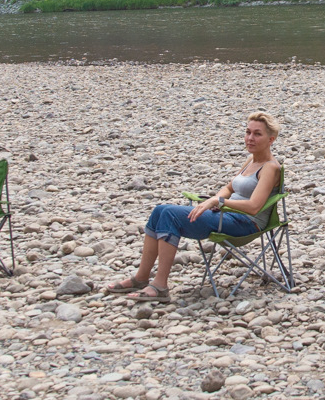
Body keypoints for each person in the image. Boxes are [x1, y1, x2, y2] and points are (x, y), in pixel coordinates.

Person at [108, 112, 283, 299]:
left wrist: (218, 201)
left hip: (245, 223)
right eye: (248, 132)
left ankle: (160, 287)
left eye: (257, 134)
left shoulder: (271, 167)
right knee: (159, 211)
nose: (250, 138)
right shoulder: (252, 159)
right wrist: (214, 200)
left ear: (271, 139)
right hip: (227, 215)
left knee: (170, 215)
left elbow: (254, 207)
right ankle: (141, 278)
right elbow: (229, 187)